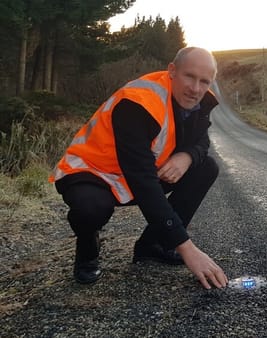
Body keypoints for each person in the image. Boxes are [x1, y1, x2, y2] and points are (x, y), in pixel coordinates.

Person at [49, 47, 228, 289]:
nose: (195, 88)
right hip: (92, 172)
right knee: (91, 208)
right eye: (189, 76)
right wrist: (186, 247)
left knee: (205, 167)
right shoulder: (138, 102)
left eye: (204, 81)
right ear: (172, 71)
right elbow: (142, 180)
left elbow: (202, 141)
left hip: (134, 175)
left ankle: (152, 245)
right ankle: (88, 248)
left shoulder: (199, 101)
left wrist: (186, 156)